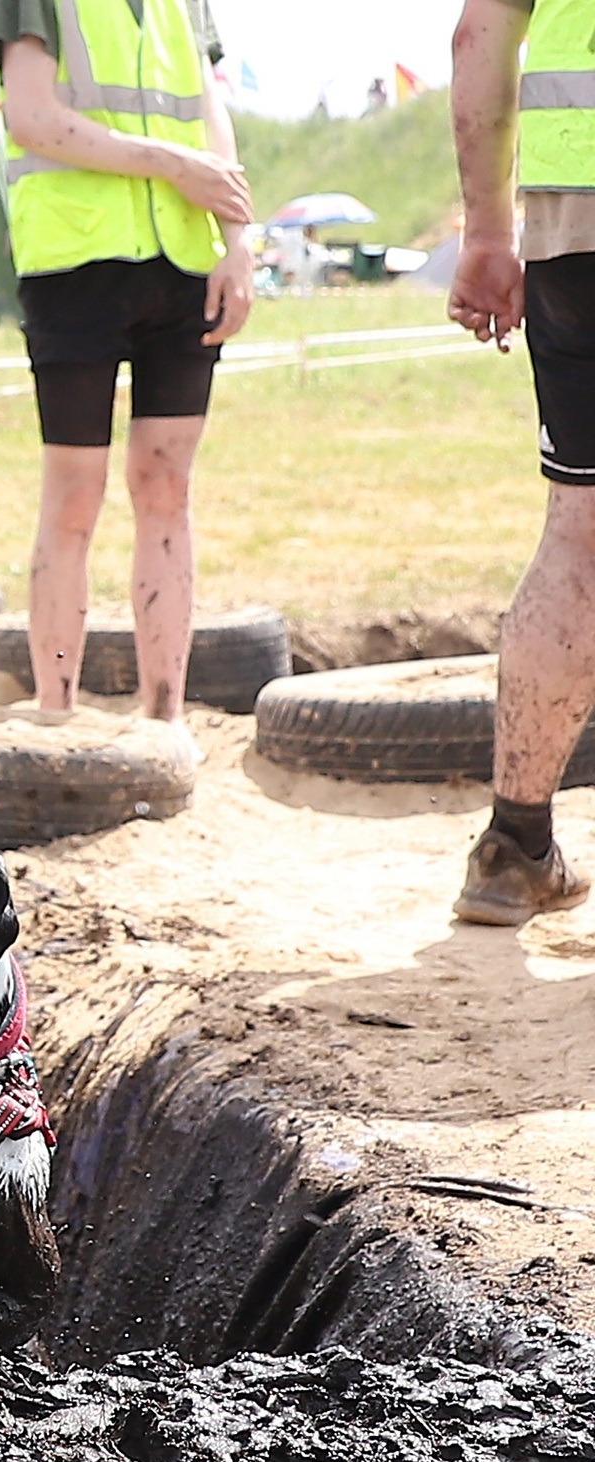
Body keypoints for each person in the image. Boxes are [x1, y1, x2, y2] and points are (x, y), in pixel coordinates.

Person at [0, 0, 255, 722]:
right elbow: (32, 117)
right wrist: (172, 165)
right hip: (75, 262)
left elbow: (208, 110)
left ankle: (165, 715)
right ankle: (55, 710)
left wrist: (238, 242)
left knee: (167, 487)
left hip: (183, 259)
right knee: (75, 493)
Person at [445, 0, 595, 923]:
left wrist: (487, 232)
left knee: (578, 530)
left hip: (575, 204)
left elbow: (480, 34)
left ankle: (514, 846)